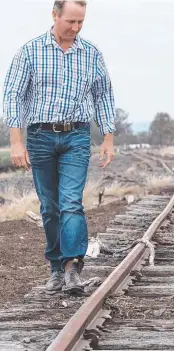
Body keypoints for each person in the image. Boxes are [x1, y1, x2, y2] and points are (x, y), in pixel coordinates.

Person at [2, 0, 116, 294]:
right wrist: (16, 142)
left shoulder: (91, 54)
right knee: (50, 208)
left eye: (81, 22)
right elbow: (13, 96)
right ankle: (55, 269)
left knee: (71, 203)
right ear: (55, 15)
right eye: (71, 22)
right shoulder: (30, 51)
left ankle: (72, 268)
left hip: (77, 136)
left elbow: (103, 96)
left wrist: (107, 137)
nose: (76, 28)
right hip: (40, 136)